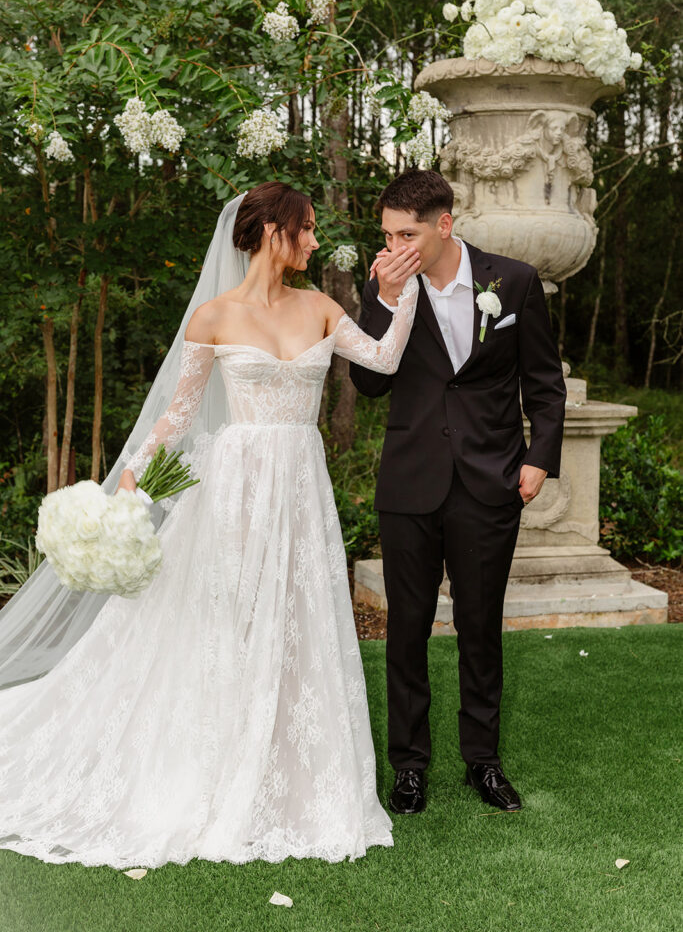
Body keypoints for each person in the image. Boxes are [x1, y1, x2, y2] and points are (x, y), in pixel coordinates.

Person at [0, 182, 420, 868]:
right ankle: (214, 757)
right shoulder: (213, 316)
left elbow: (384, 359)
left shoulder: (320, 306)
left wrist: (396, 300)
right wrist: (128, 482)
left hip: (298, 488)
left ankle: (288, 769)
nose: (315, 241)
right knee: (223, 618)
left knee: (293, 615)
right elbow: (178, 413)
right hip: (232, 487)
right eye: (306, 229)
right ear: (272, 233)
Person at [349, 170, 566, 815]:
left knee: (480, 627)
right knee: (407, 630)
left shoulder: (515, 281)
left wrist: (539, 460)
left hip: (490, 480)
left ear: (445, 225)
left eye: (405, 233)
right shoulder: (384, 283)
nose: (392, 246)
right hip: (410, 482)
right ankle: (410, 766)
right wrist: (383, 300)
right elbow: (368, 386)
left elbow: (545, 384)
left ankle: (484, 763)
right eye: (386, 234)